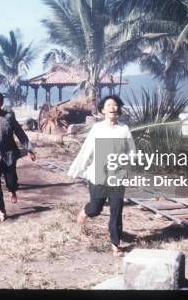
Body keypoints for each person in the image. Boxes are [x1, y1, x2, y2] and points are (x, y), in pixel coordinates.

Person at [67, 95, 136, 257]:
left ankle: (115, 244)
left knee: (116, 211)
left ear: (119, 108)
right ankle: (86, 211)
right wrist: (75, 170)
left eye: (115, 105)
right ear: (103, 110)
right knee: (96, 208)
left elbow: (132, 152)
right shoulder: (97, 128)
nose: (112, 108)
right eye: (109, 105)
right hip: (98, 173)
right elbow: (86, 150)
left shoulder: (123, 129)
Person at [0, 91, 37, 221]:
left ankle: (12, 190)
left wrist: (29, 150)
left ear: (2, 102)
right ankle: (1, 210)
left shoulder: (9, 117)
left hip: (8, 154)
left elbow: (20, 133)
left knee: (11, 180)